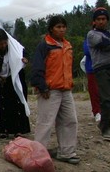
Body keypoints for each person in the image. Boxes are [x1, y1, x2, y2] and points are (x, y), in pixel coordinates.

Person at [31, 15, 79, 164]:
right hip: (50, 90)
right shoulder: (44, 46)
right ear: (51, 29)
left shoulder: (67, 45)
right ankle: (38, 156)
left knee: (70, 120)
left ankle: (67, 152)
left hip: (66, 89)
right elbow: (37, 67)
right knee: (45, 123)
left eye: (63, 27)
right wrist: (42, 86)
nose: (62, 29)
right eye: (58, 27)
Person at [85, 7, 110, 141]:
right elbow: (102, 43)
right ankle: (106, 128)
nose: (101, 21)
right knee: (106, 99)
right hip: (101, 69)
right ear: (94, 21)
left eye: (103, 19)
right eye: (98, 19)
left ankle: (103, 122)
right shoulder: (91, 34)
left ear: (107, 20)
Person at [0, 24, 30, 138]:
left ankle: (19, 130)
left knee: (17, 103)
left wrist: (24, 60)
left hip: (14, 78)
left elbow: (23, 54)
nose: (3, 46)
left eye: (4, 43)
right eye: (0, 44)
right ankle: (3, 129)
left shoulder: (14, 46)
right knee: (2, 104)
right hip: (0, 81)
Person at [82, 23, 101, 123]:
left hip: (103, 68)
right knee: (94, 92)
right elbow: (87, 51)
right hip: (92, 69)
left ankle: (102, 110)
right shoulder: (88, 39)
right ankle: (96, 111)